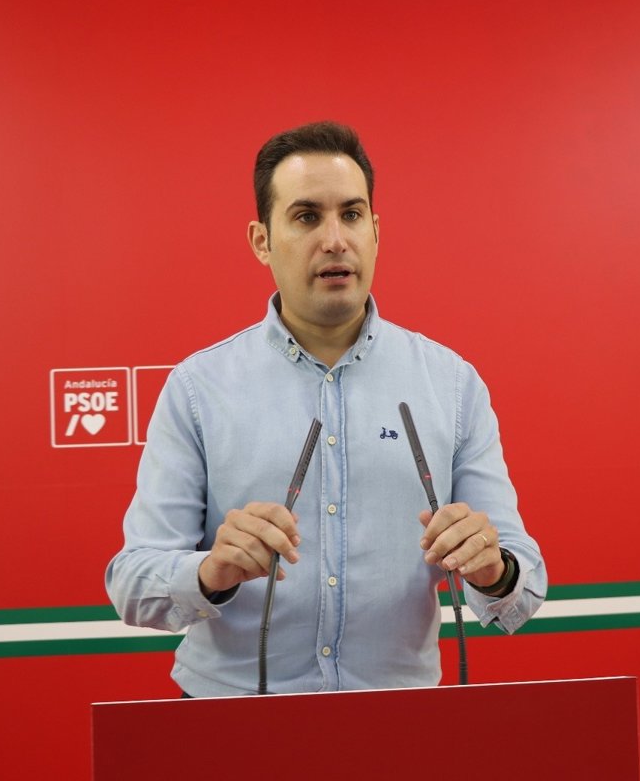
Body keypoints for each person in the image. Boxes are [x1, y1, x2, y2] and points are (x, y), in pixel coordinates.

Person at [105, 122, 546, 697]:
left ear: (376, 231)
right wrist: (210, 572)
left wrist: (493, 568)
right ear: (262, 240)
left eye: (352, 215)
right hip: (233, 723)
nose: (335, 240)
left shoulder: (451, 385)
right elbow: (132, 585)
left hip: (399, 725)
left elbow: (522, 594)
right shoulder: (198, 388)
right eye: (307, 216)